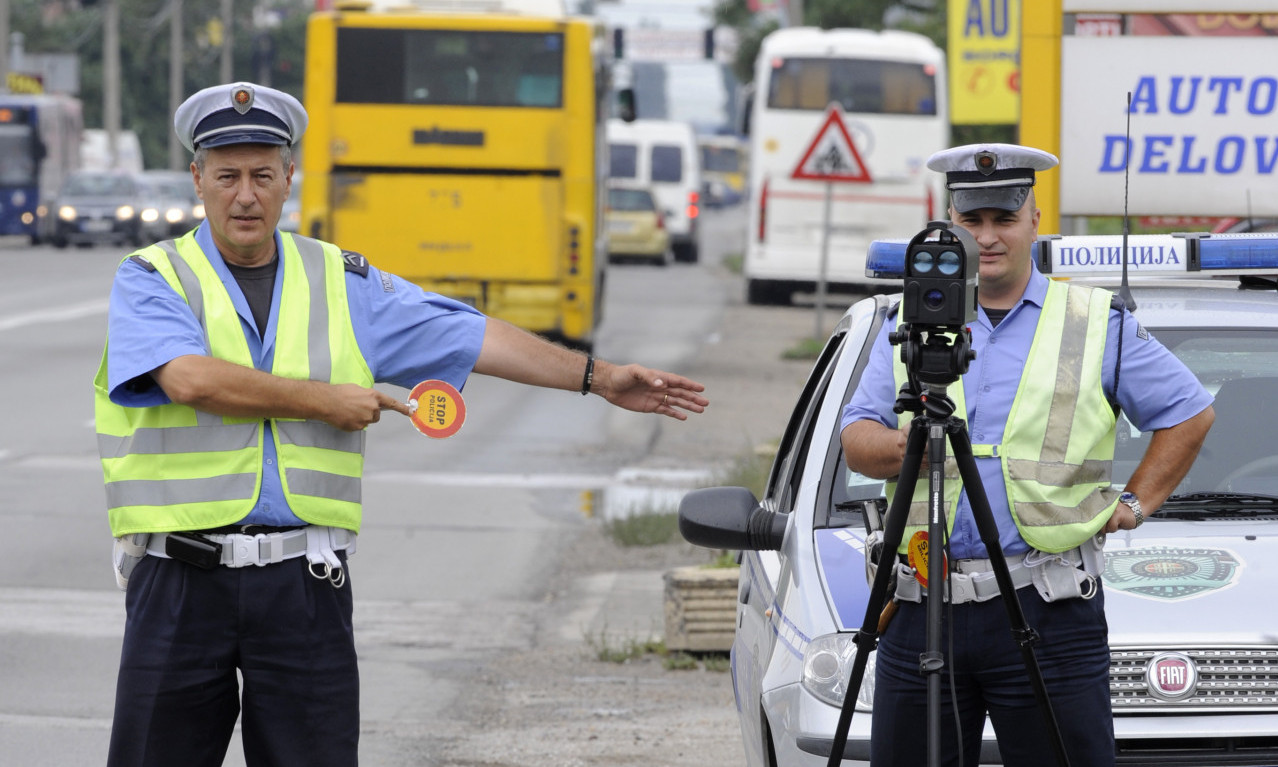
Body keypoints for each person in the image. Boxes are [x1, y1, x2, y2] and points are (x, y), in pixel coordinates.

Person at [93, 81, 709, 767]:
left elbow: (469, 335)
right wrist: (327, 400)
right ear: (197, 179)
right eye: (228, 176)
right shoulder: (154, 277)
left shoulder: (339, 279)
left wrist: (597, 377)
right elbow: (190, 380)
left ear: (288, 178)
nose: (246, 195)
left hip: (304, 582)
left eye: (263, 175)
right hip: (179, 583)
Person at [839, 143, 1215, 767]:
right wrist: (916, 449)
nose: (987, 238)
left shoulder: (1091, 320)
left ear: (1035, 221)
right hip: (920, 599)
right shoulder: (907, 319)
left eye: (1004, 220)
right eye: (971, 221)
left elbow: (1189, 414)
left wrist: (1134, 502)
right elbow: (858, 438)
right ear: (949, 222)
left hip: (1048, 607)